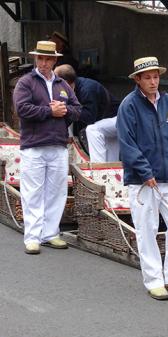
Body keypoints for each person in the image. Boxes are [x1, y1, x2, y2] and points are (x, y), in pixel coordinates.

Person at [117, 56, 168, 300]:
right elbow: (127, 144)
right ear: (137, 79)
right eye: (147, 77)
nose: (153, 81)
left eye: (156, 76)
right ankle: (154, 280)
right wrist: (145, 171)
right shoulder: (128, 105)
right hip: (142, 181)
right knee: (147, 229)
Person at [12, 41, 81, 254]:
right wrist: (50, 112)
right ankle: (32, 237)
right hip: (33, 146)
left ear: (54, 60)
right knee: (33, 192)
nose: (44, 62)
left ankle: (51, 233)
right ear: (35, 59)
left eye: (48, 59)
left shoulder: (62, 85)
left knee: (56, 192)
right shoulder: (26, 82)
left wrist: (64, 111)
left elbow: (78, 110)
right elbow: (21, 109)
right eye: (40, 58)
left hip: (58, 145)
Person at [54, 64, 120, 162]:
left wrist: (67, 109)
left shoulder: (87, 89)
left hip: (118, 119)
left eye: (56, 82)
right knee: (111, 162)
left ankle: (97, 170)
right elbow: (70, 117)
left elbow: (90, 117)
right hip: (105, 122)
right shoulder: (71, 90)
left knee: (92, 130)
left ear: (65, 82)